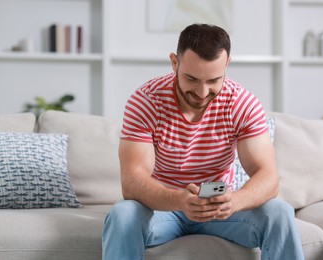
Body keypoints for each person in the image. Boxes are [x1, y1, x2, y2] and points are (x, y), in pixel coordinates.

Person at [102, 23, 304, 260]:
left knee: (280, 212)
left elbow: (268, 177)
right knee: (122, 213)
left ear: (226, 65)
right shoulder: (146, 101)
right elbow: (132, 182)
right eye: (191, 79)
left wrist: (235, 201)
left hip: (220, 211)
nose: (201, 92)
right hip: (163, 210)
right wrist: (179, 200)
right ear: (174, 63)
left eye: (213, 81)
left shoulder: (241, 103)